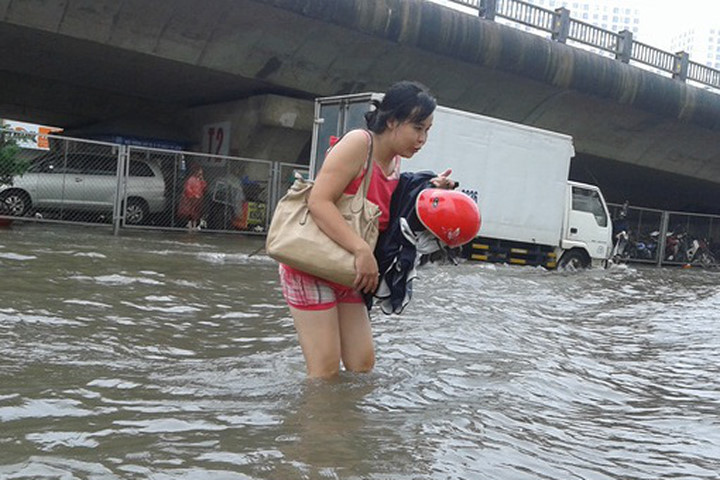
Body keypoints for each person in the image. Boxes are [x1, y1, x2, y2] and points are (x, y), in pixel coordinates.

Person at [278, 81, 455, 379]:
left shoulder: (395, 161)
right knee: (324, 372)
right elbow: (319, 201)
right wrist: (361, 249)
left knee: (362, 366)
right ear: (392, 121)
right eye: (417, 128)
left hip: (351, 269)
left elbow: (392, 207)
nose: (422, 138)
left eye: (427, 130)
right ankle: (315, 425)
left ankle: (347, 425)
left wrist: (429, 188)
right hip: (312, 263)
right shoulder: (359, 143)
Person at [178, 163, 207, 231]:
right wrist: (193, 195)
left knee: (196, 213)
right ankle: (190, 225)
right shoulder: (191, 179)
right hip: (191, 199)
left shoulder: (199, 180)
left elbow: (204, 188)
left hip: (198, 199)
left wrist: (202, 180)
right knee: (190, 213)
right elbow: (188, 188)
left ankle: (194, 225)